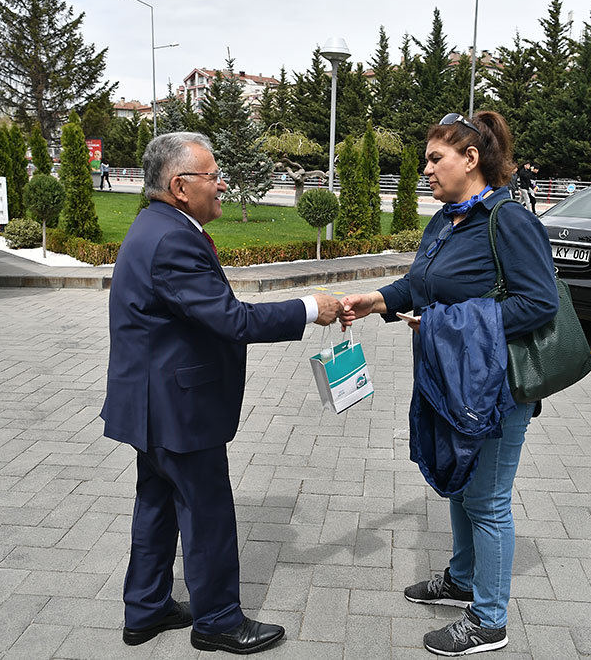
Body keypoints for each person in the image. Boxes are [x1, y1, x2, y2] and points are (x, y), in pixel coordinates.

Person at [101, 131, 342, 654]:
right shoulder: (172, 239)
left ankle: (146, 609)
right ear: (181, 185)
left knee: (157, 503)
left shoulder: (158, 226)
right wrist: (308, 307)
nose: (221, 184)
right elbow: (230, 319)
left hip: (156, 402)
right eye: (212, 176)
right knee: (205, 511)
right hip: (177, 408)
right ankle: (218, 622)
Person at [341, 111, 558, 656]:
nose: (427, 170)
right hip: (449, 378)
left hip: (495, 387)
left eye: (436, 159)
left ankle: (489, 620)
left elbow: (539, 303)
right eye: (426, 160)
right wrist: (378, 300)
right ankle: (462, 580)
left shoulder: (508, 220)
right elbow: (421, 282)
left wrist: (447, 323)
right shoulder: (446, 221)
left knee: (487, 500)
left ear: (471, 158)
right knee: (460, 485)